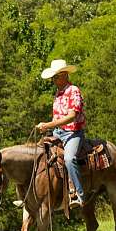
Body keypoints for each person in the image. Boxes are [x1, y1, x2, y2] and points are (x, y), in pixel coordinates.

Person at [36, 59, 86, 209]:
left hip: (73, 133)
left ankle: (79, 194)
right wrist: (50, 128)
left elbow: (72, 116)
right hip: (58, 132)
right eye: (53, 77)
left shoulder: (74, 91)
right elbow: (57, 116)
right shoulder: (58, 93)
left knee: (70, 158)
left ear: (64, 75)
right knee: (37, 153)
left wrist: (48, 125)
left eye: (55, 77)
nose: (53, 80)